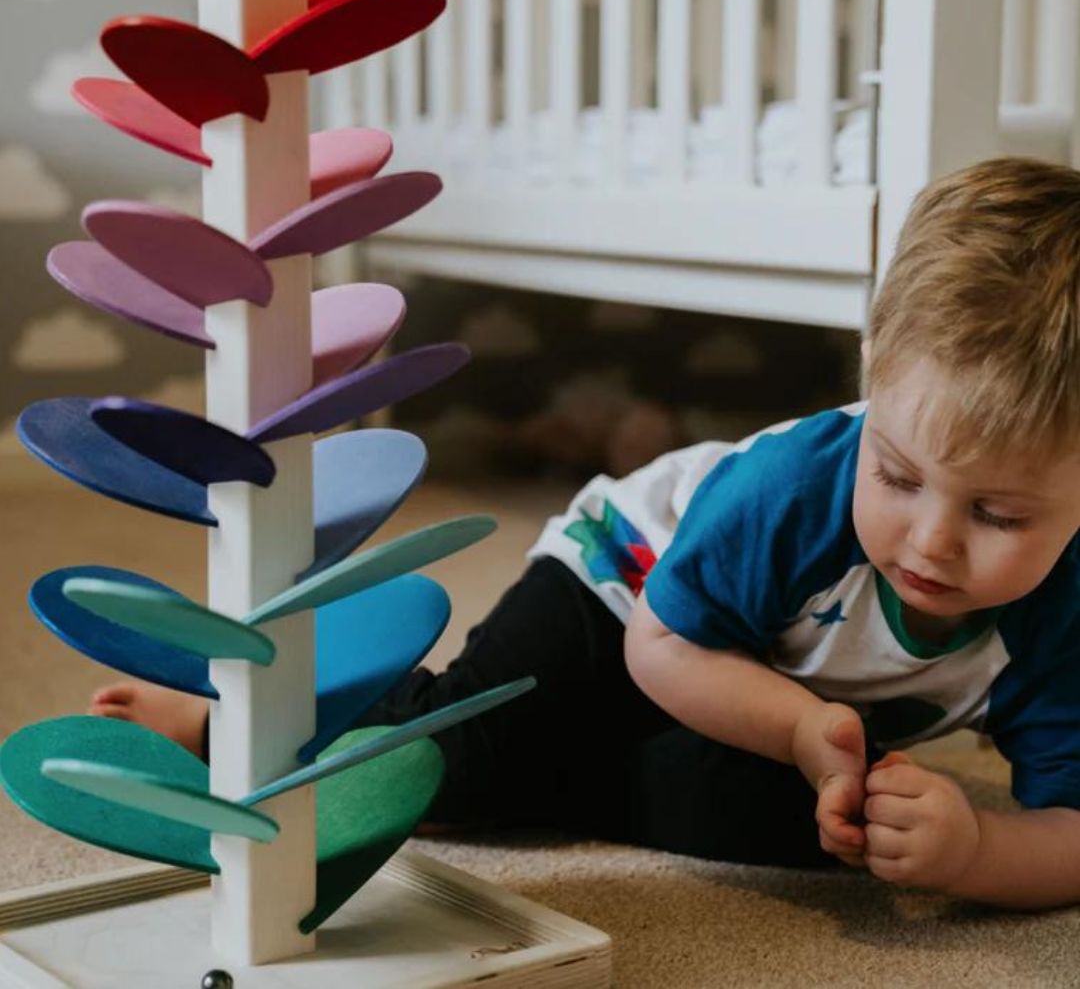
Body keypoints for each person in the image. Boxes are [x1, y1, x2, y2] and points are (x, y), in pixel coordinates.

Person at [91, 156, 1080, 907]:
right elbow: (664, 643)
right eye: (898, 476)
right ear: (872, 382)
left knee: (816, 832)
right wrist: (794, 727)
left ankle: (570, 766)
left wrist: (977, 853)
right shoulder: (789, 494)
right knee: (453, 763)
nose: (934, 542)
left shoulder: (1064, 613)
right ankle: (240, 714)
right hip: (626, 592)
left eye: (997, 514)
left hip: (777, 691)